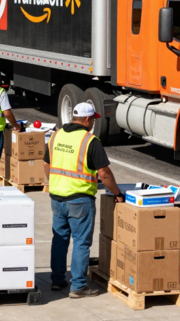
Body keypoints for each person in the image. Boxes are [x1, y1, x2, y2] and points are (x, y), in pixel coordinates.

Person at [43, 102, 124, 298]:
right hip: (79, 199)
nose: (94, 123)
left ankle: (57, 280)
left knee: (60, 239)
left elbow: (46, 164)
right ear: (87, 119)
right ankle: (78, 286)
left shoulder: (56, 135)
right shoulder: (90, 141)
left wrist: (56, 183)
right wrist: (117, 193)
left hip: (57, 197)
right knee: (81, 242)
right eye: (93, 119)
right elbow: (104, 173)